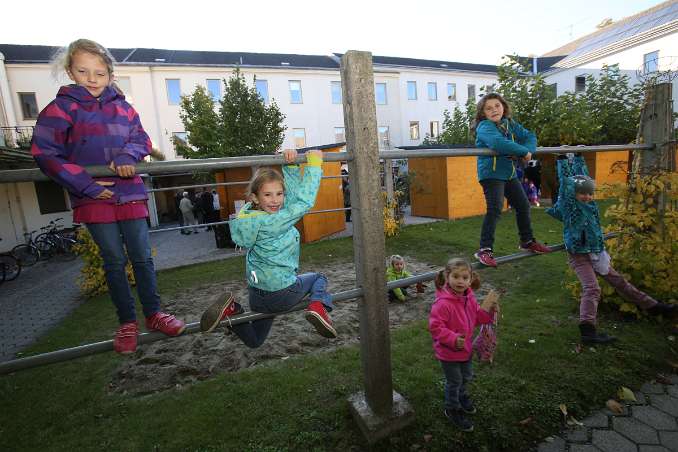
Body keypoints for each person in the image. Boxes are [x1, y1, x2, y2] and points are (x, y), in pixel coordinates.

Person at [31, 39, 185, 354]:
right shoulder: (61, 109)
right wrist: (87, 185)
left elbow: (141, 139)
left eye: (99, 72)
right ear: (70, 71)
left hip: (129, 192)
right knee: (114, 261)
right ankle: (127, 322)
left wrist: (128, 156)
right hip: (92, 198)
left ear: (110, 74)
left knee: (142, 257)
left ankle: (154, 313)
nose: (92, 78)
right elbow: (45, 153)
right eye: (83, 71)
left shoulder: (124, 108)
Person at [199, 149, 338, 347]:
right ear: (255, 197)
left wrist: (290, 165)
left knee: (255, 341)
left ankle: (234, 310)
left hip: (257, 294)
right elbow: (304, 201)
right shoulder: (275, 221)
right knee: (319, 278)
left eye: (279, 194)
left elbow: (291, 201)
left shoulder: (250, 216)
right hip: (281, 293)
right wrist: (314, 164)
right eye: (268, 195)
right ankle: (318, 306)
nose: (275, 200)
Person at [547, 153, 676, 345]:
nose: (588, 196)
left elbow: (583, 178)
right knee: (592, 288)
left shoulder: (590, 205)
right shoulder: (571, 206)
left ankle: (655, 307)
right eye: (583, 193)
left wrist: (580, 159)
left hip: (597, 252)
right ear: (573, 194)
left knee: (620, 282)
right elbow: (567, 183)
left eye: (590, 193)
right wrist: (562, 161)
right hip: (580, 255)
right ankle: (588, 331)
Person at [473, 93, 551, 267]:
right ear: (483, 113)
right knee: (494, 209)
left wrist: (528, 150)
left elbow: (529, 136)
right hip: (491, 174)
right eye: (489, 108)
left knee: (523, 205)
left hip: (508, 173)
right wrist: (523, 152)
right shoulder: (484, 127)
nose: (494, 110)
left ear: (504, 107)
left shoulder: (510, 124)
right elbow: (498, 143)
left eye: (497, 106)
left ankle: (527, 241)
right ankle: (484, 249)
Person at [429, 258, 498, 432]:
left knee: (467, 376)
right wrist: (452, 339)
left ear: (471, 279)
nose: (460, 281)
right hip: (449, 352)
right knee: (455, 381)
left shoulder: (469, 297)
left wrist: (488, 311)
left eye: (465, 277)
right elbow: (435, 328)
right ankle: (452, 408)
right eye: (456, 276)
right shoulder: (442, 303)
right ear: (447, 276)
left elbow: (476, 318)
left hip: (465, 350)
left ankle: (462, 396)